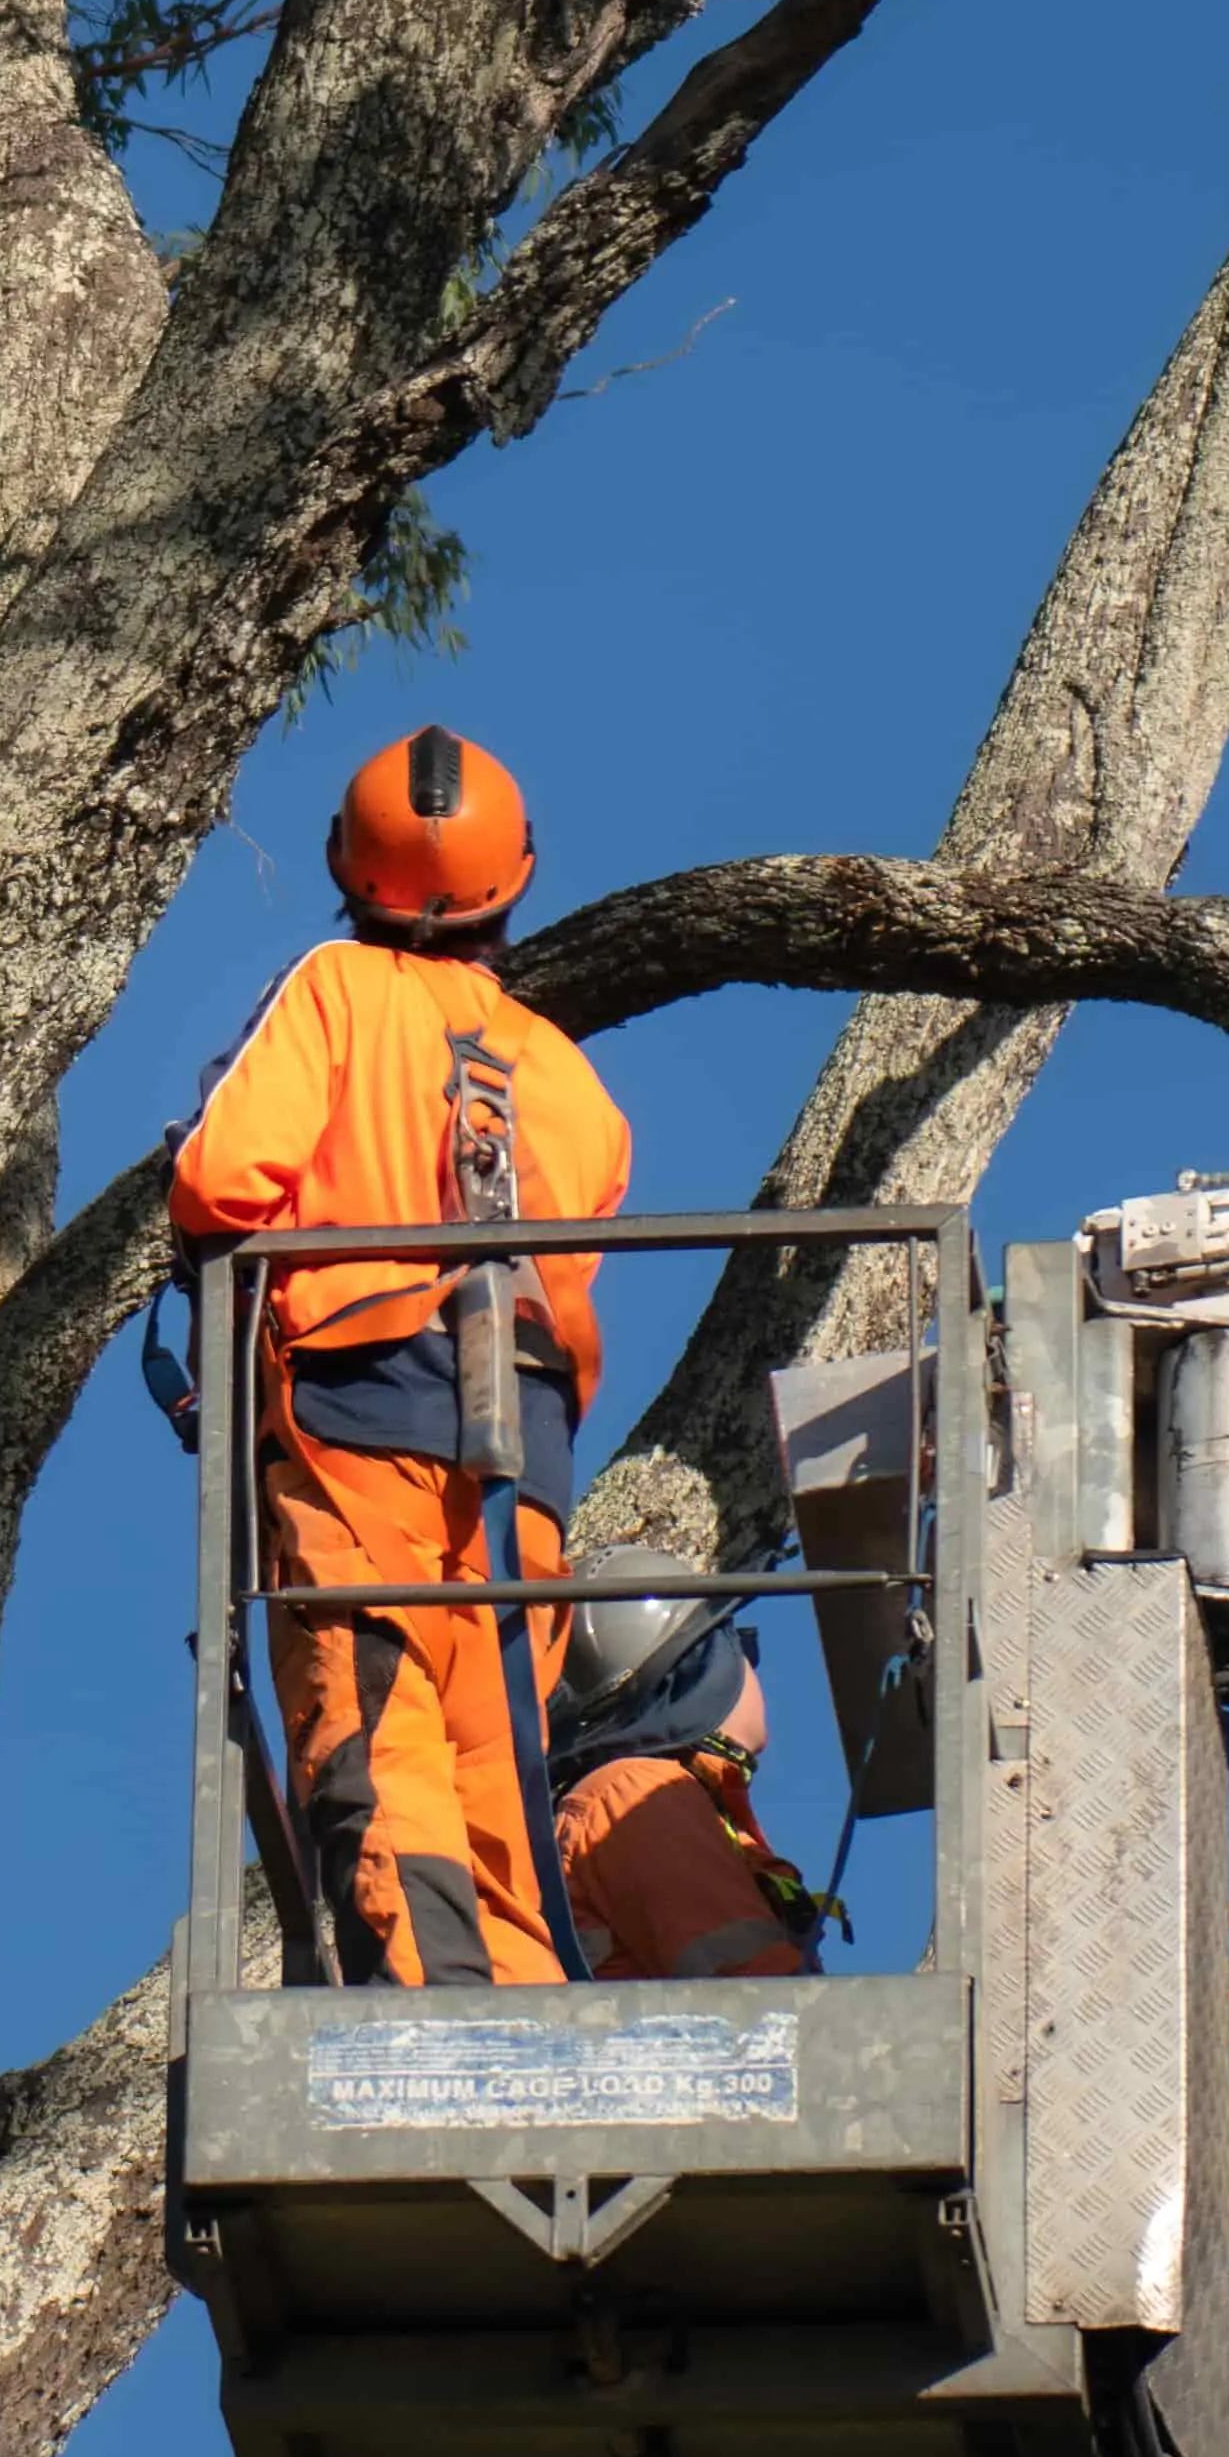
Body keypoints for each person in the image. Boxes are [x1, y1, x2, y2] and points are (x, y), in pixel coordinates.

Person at [168, 727, 807, 1992]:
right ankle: (520, 2012)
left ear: (348, 874)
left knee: (375, 1714)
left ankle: (433, 2025)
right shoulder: (571, 1085)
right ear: (513, 883)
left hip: (358, 1405)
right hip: (523, 1448)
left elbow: (216, 1183)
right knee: (493, 1750)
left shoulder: (334, 993)